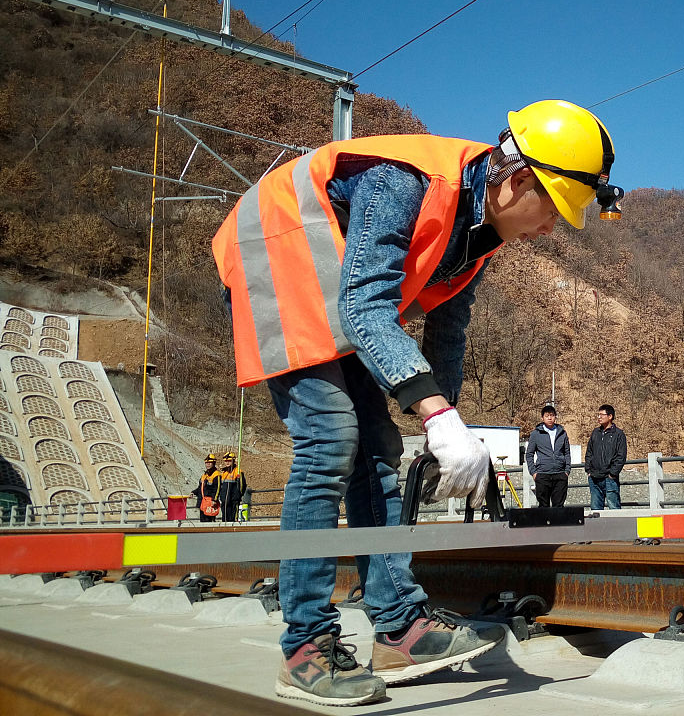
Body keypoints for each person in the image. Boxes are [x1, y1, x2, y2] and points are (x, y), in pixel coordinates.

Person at [211, 100, 621, 706]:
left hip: (336, 283)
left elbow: (447, 333)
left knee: (376, 449)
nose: (551, 230)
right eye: (553, 210)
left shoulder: (480, 236)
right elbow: (365, 308)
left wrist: (445, 421)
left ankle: (399, 628)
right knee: (329, 439)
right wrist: (433, 411)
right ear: (517, 181)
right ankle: (305, 647)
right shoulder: (407, 183)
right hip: (276, 253)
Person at [526, 404, 571, 507]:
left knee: (559, 506)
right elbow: (529, 454)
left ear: (555, 417)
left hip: (560, 474)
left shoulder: (562, 433)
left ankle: (558, 523)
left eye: (552, 415)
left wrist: (567, 471)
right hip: (542, 474)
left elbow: (567, 452)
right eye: (547, 416)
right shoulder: (536, 434)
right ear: (542, 418)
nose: (550, 418)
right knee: (543, 506)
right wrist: (534, 473)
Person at [584, 404, 626, 510]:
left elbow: (621, 456)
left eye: (601, 415)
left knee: (614, 508)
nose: (599, 417)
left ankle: (616, 527)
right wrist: (589, 470)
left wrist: (612, 473)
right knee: (595, 510)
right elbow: (589, 452)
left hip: (609, 478)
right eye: (598, 415)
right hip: (594, 478)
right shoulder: (595, 433)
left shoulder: (618, 434)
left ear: (610, 416)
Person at [215, 451, 248, 523]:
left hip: (233, 500)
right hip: (225, 501)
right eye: (226, 461)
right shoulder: (223, 473)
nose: (227, 463)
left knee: (233, 519)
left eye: (229, 461)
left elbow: (242, 485)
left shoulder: (238, 471)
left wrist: (238, 495)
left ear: (233, 461)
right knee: (225, 519)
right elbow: (220, 486)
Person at [191, 453, 220, 522]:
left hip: (210, 502)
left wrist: (214, 500)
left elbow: (217, 488)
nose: (208, 464)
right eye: (207, 463)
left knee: (209, 522)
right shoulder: (205, 475)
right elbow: (200, 488)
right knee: (203, 521)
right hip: (203, 502)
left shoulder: (216, 475)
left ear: (214, 463)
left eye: (210, 463)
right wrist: (194, 492)